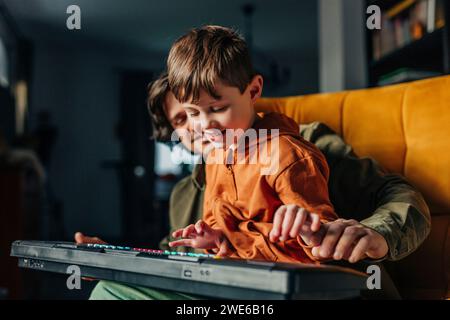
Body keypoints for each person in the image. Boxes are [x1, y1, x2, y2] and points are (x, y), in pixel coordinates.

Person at [81, 66, 430, 300]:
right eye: (183, 117)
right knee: (109, 291)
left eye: (210, 106)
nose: (199, 125)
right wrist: (114, 260)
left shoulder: (302, 144)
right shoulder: (185, 193)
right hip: (226, 293)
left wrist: (378, 233)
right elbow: (174, 256)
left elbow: (398, 193)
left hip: (325, 288)